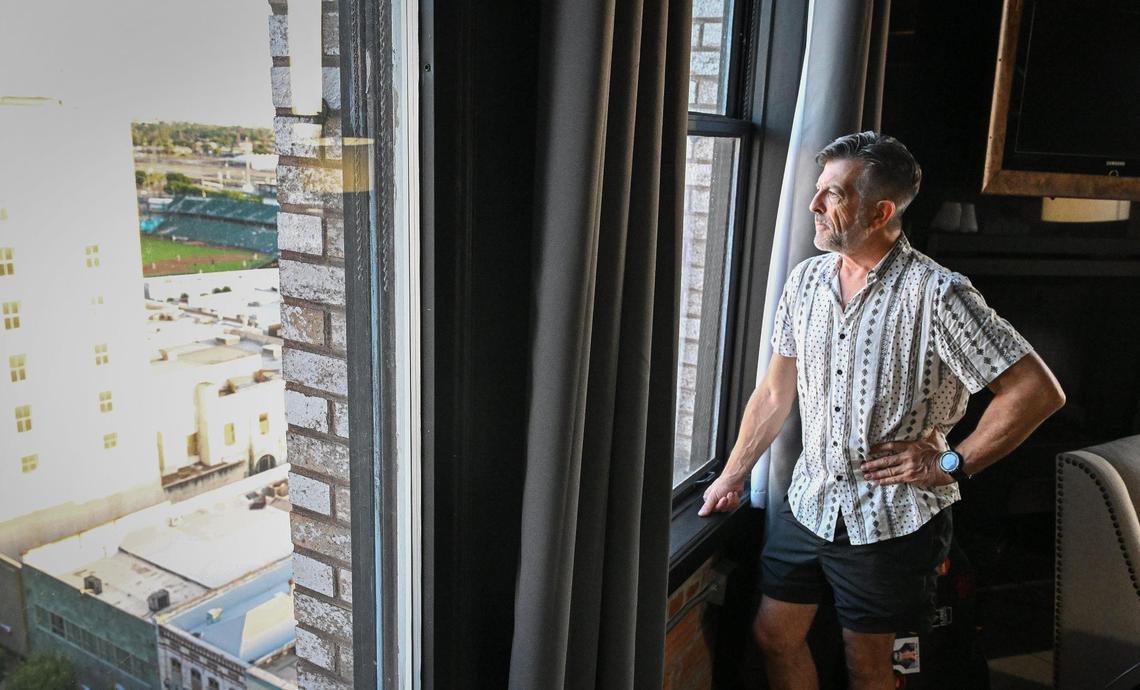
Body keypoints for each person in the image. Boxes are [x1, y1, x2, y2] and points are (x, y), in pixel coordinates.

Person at [697, 131, 1066, 690]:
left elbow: (1036, 391)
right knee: (774, 636)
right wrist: (733, 472)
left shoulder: (940, 294)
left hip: (892, 520)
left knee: (872, 668)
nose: (815, 204)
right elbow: (775, 391)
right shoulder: (805, 282)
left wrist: (950, 464)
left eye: (833, 194)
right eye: (819, 190)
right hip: (809, 503)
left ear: (881, 211)